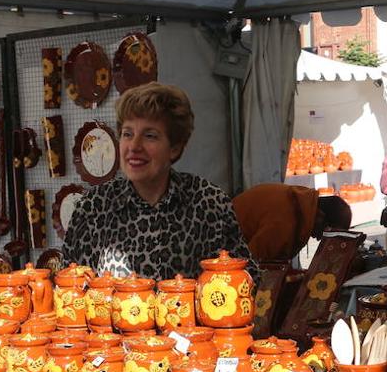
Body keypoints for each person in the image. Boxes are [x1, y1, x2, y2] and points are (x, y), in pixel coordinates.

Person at [64, 82, 254, 279]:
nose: (134, 146)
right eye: (127, 134)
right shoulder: (92, 207)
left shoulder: (209, 203)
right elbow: (68, 286)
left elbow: (243, 280)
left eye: (150, 136)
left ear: (175, 147)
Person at [232, 184, 352, 263]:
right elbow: (251, 263)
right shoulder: (283, 222)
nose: (319, 238)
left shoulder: (302, 204)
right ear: (320, 216)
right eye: (325, 232)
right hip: (228, 248)